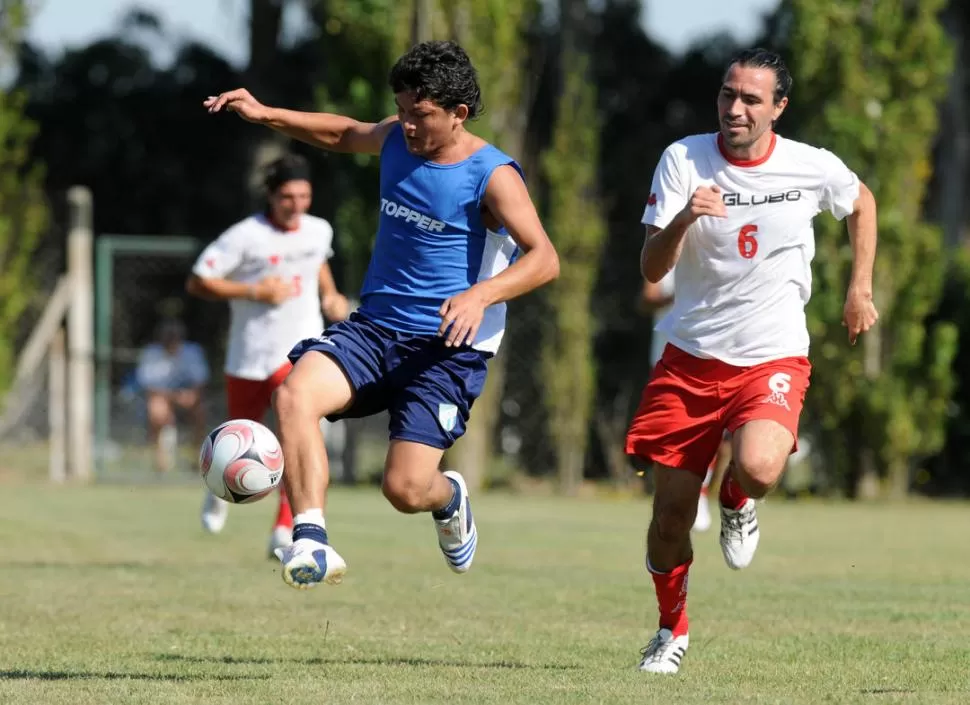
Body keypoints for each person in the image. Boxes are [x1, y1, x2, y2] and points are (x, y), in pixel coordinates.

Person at [203, 40, 560, 589]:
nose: (408, 126)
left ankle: (449, 496)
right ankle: (311, 539)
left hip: (446, 350)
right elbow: (343, 133)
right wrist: (265, 112)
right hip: (373, 329)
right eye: (403, 111)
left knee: (405, 490)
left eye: (421, 115)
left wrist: (480, 295)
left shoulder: (493, 175)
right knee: (294, 396)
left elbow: (545, 258)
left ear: (458, 113)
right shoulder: (397, 138)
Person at [626, 48, 878, 673]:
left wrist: (859, 288)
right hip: (689, 359)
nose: (734, 108)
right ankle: (670, 629)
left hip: (772, 354)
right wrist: (687, 215)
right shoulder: (683, 159)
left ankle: (739, 497)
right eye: (727, 94)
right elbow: (651, 267)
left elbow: (862, 202)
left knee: (762, 467)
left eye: (751, 99)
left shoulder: (809, 166)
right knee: (670, 518)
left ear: (779, 108)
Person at [186, 154, 350, 558]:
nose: (297, 206)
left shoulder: (318, 230)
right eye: (287, 197)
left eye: (304, 196)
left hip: (299, 351)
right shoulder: (245, 236)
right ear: (271, 196)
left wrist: (330, 295)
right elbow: (198, 282)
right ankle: (219, 488)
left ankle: (283, 528)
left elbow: (318, 264)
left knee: (294, 434)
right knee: (237, 436)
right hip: (249, 355)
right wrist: (254, 292)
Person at [638, 271, 732, 533]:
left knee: (712, 433)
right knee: (669, 434)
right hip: (666, 355)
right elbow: (647, 298)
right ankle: (672, 496)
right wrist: (680, 294)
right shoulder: (666, 242)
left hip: (710, 353)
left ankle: (699, 493)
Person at [135, 318, 210, 472]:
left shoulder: (192, 352)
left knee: (199, 409)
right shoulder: (151, 353)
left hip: (188, 399)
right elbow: (149, 387)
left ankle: (198, 458)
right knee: (156, 409)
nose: (171, 339)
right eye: (167, 336)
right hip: (162, 399)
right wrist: (175, 397)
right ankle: (161, 462)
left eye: (174, 336)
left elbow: (200, 383)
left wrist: (189, 397)